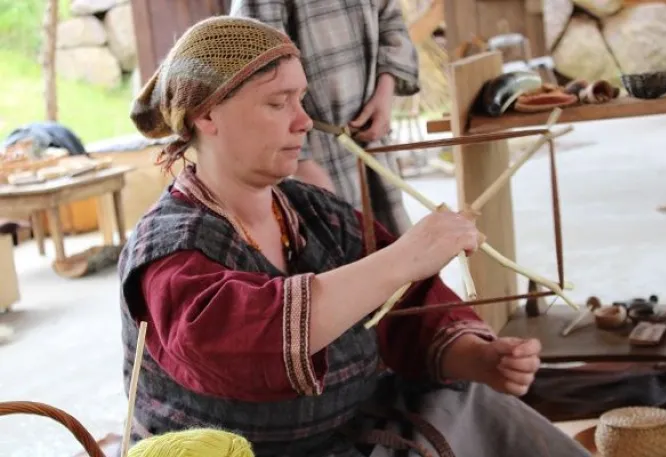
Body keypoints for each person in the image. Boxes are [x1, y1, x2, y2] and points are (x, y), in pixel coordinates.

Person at [119, 16, 591, 457]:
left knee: (472, 402)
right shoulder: (169, 248)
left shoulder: (313, 211)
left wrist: (479, 358)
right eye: (277, 102)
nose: (302, 120)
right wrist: (402, 259)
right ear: (206, 115)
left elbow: (409, 309)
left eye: (300, 99)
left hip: (352, 432)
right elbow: (240, 343)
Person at [229, 0, 418, 236]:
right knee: (334, 255)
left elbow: (391, 19)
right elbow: (258, 70)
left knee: (388, 246)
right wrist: (301, 162)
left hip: (369, 139)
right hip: (308, 151)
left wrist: (385, 92)